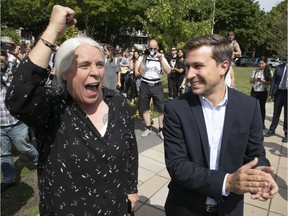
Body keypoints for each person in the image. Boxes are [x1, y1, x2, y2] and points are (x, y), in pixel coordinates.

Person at [5, 5, 138, 215]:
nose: (95, 72)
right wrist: (52, 31)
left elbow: (130, 147)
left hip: (114, 207)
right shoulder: (52, 107)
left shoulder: (118, 102)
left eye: (99, 64)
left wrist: (131, 188)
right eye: (84, 65)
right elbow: (18, 97)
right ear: (64, 73)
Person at [163, 34, 278, 216]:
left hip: (229, 210)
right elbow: (177, 166)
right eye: (187, 66)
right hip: (185, 209)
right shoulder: (175, 109)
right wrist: (227, 182)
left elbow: (255, 155)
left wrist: (260, 177)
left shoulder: (249, 107)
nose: (189, 74)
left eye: (198, 66)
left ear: (223, 66)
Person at [1, 45, 39, 193]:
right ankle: (8, 179)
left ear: (6, 55)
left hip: (16, 120)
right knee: (3, 153)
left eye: (2, 54)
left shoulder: (14, 68)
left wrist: (17, 54)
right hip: (0, 123)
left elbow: (31, 68)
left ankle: (38, 161)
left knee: (23, 146)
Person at [137, 39, 171, 140]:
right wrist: (144, 57)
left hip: (157, 85)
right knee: (144, 107)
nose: (152, 50)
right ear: (148, 48)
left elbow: (168, 71)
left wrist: (161, 59)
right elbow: (140, 70)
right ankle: (148, 127)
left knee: (161, 108)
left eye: (154, 48)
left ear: (158, 48)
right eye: (150, 48)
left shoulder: (161, 57)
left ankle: (161, 130)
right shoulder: (143, 57)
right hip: (145, 84)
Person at [264, 60, 287, 142]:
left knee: (287, 114)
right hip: (279, 92)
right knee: (276, 112)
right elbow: (273, 81)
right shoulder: (279, 67)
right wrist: (271, 94)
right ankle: (272, 130)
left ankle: (287, 133)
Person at [250, 59, 272, 129]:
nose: (261, 65)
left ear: (265, 64)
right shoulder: (255, 70)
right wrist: (255, 80)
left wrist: (263, 81)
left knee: (262, 107)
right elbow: (250, 80)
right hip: (254, 91)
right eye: (259, 64)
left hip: (263, 91)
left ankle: (262, 123)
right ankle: (252, 123)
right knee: (253, 107)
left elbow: (270, 83)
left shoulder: (269, 71)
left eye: (262, 63)